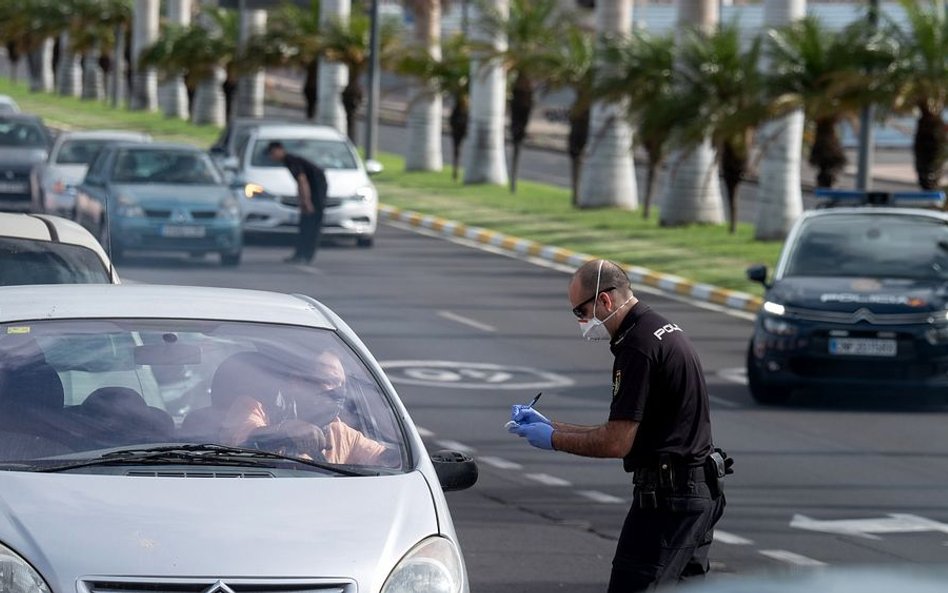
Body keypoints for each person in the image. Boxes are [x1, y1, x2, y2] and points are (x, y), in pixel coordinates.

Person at [507, 259, 730, 592]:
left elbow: (616, 442)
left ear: (605, 301)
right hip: (697, 491)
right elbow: (625, 429)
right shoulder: (659, 328)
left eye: (580, 312)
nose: (582, 322)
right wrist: (552, 425)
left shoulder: (637, 347)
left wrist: (554, 439)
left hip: (670, 500)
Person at [266, 141, 328, 264]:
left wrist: (306, 202)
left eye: (272, 154)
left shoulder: (291, 161)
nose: (272, 157)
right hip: (313, 191)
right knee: (305, 224)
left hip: (315, 192)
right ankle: (300, 254)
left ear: (279, 150)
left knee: (311, 226)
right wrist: (302, 202)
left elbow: (302, 181)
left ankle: (306, 256)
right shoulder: (290, 161)